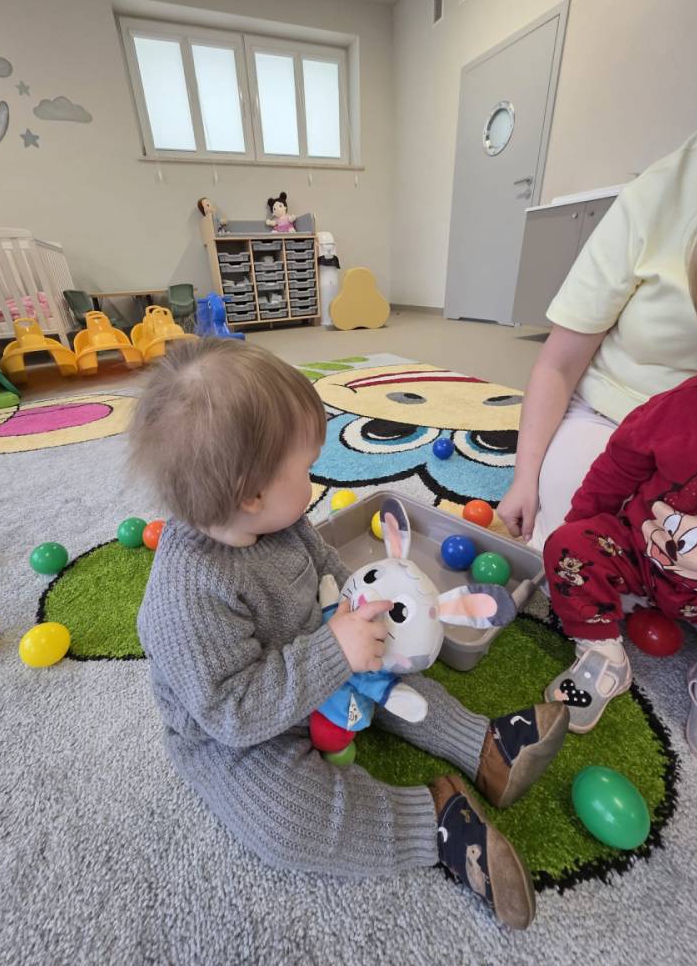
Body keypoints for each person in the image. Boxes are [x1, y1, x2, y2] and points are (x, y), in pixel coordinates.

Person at [131, 338, 568, 930]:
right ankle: (437, 823)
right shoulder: (188, 597)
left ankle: (482, 744)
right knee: (283, 821)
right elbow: (233, 714)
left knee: (388, 665)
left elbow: (332, 573)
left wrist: (369, 613)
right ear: (250, 495)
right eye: (305, 469)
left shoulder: (280, 521)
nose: (314, 480)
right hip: (240, 735)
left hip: (322, 660)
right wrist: (334, 650)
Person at [498, 129, 697, 550]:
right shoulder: (658, 194)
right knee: (582, 541)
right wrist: (525, 477)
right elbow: (557, 364)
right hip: (616, 418)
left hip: (688, 441)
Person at [540, 220, 697, 737]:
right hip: (641, 554)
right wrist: (581, 523)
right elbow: (619, 465)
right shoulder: (681, 406)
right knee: (567, 545)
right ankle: (602, 651)